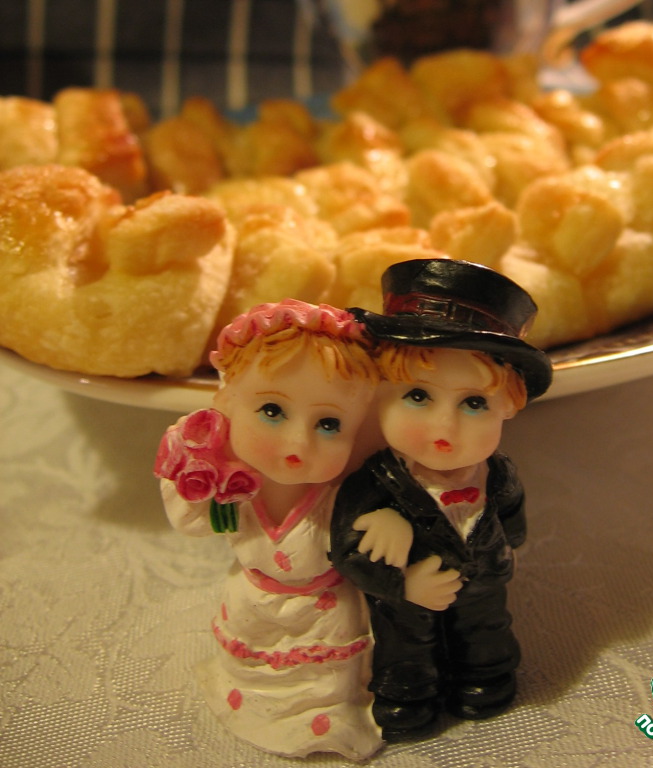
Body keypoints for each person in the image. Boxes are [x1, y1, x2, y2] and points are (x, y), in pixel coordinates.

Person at [329, 258, 553, 740]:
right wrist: (403, 583)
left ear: (508, 407)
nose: (444, 427)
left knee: (486, 631)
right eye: (417, 396)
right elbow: (346, 553)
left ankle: (486, 678)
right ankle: (408, 697)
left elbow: (511, 510)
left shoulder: (497, 472)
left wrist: (510, 545)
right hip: (406, 597)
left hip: (483, 582)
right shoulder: (375, 482)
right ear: (378, 393)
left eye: (474, 403)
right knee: (405, 644)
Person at [154, 299, 387, 760]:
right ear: (226, 402)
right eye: (273, 411)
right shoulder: (234, 492)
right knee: (253, 675)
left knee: (326, 687)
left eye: (329, 424)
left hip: (326, 614)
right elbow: (190, 524)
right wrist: (187, 468)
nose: (298, 442)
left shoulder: (339, 498)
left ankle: (326, 722)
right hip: (252, 605)